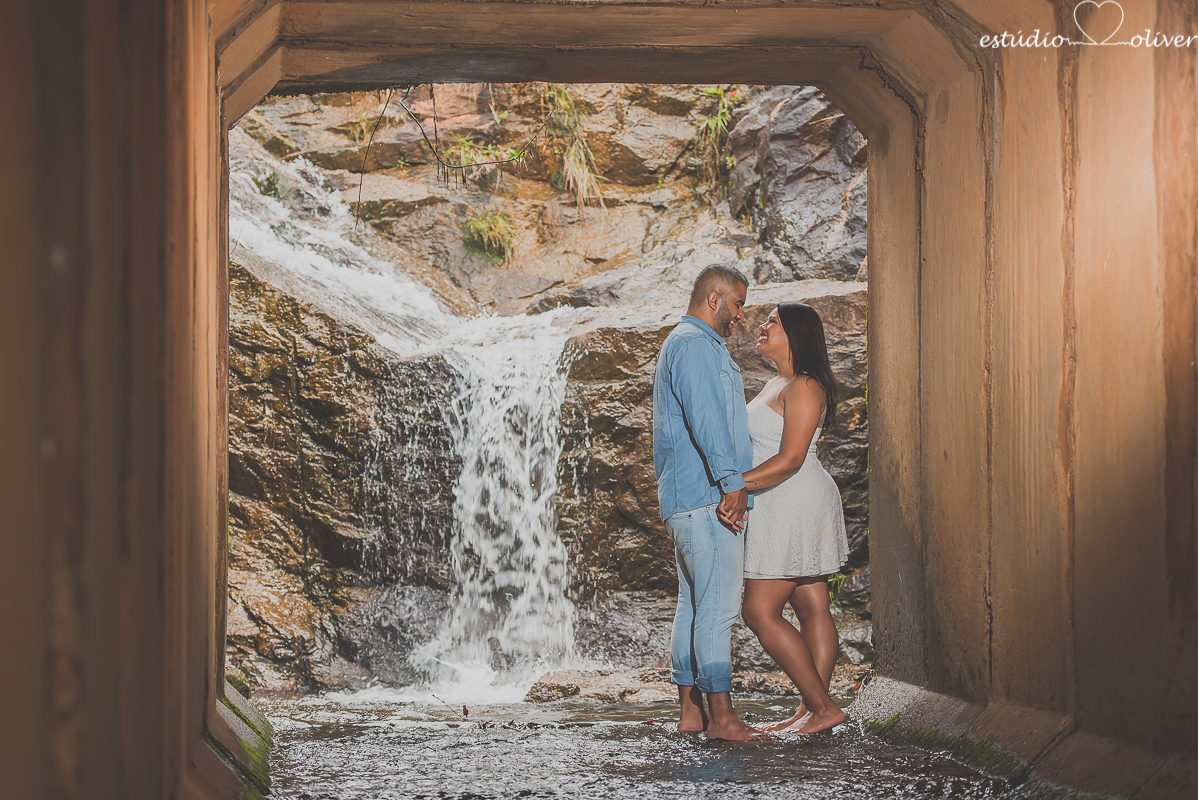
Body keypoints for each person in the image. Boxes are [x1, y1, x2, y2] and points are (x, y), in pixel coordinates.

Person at [721, 302, 849, 734]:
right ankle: (811, 709)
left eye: (772, 321)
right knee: (811, 605)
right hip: (782, 500)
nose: (762, 325)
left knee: (759, 612)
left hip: (794, 500)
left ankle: (822, 706)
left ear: (796, 333)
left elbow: (791, 458)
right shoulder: (778, 382)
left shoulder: (806, 386)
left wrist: (735, 485)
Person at [652, 263, 767, 741]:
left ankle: (691, 715)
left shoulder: (679, 343)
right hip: (706, 500)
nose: (740, 316)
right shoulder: (696, 346)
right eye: (737, 304)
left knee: (692, 607)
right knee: (717, 609)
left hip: (684, 502)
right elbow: (708, 421)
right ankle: (722, 719)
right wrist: (732, 483)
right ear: (714, 299)